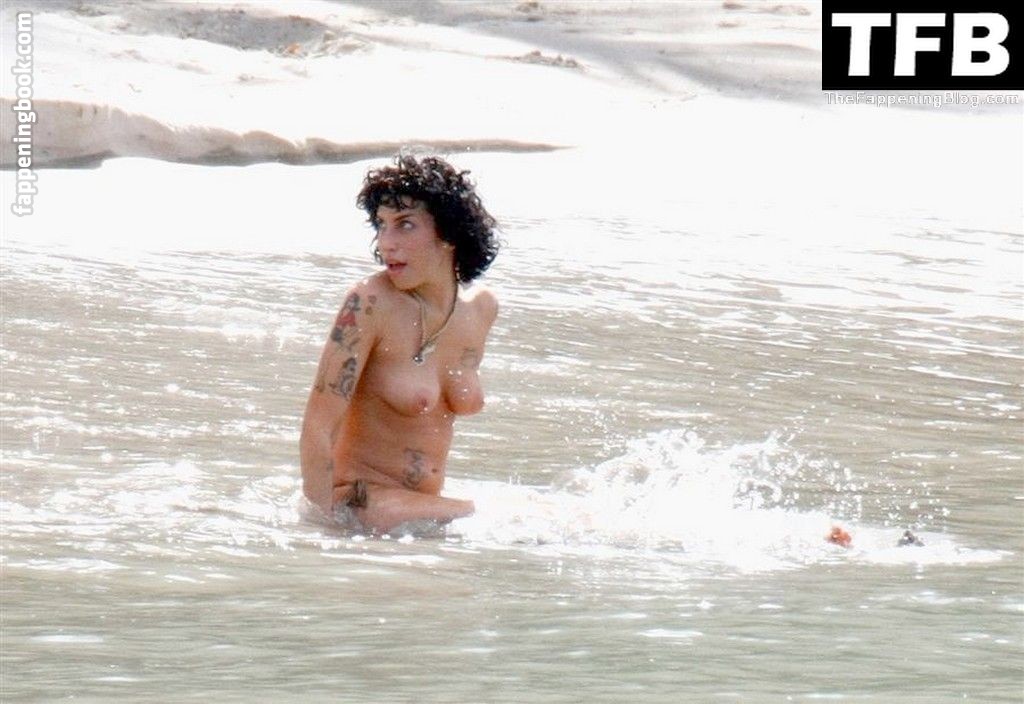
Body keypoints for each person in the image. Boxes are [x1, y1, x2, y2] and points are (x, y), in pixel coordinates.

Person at [300, 155, 499, 533]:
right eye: (381, 225)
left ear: (449, 233)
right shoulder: (369, 304)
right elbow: (317, 427)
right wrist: (319, 528)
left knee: (547, 520)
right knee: (510, 522)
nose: (386, 244)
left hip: (421, 514)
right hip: (362, 504)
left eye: (405, 225)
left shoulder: (481, 309)